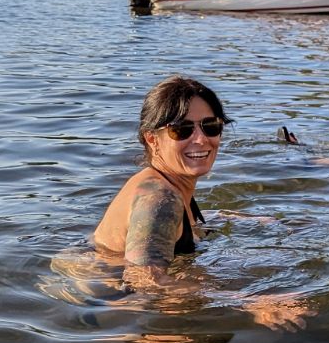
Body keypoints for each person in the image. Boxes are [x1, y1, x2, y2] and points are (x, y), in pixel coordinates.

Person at [94, 75, 232, 290]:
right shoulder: (159, 198)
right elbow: (143, 282)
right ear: (152, 139)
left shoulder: (167, 184)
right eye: (181, 129)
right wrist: (249, 303)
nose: (201, 139)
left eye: (210, 126)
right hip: (105, 305)